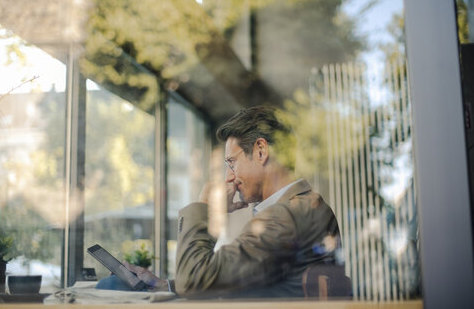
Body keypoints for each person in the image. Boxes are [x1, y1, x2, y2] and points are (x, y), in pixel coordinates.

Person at [101, 106, 342, 298]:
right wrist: (165, 285)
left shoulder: (284, 216)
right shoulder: (307, 206)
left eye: (232, 163)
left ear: (260, 151)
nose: (229, 176)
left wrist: (205, 209)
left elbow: (194, 279)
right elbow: (243, 279)